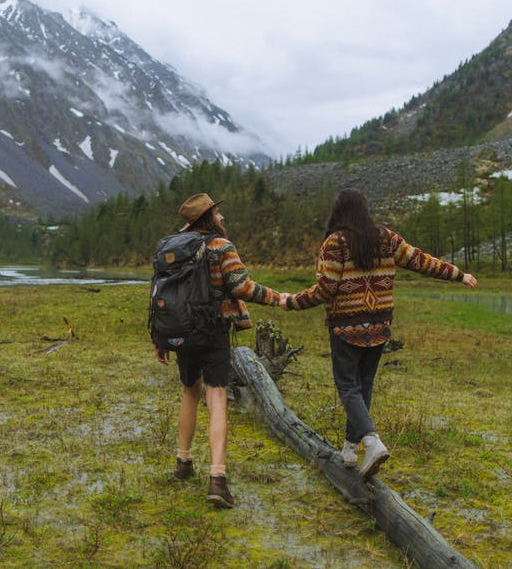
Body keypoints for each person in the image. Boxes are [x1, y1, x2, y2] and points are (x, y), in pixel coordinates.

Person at [286, 188, 477, 479]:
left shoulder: (334, 243)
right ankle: (350, 450)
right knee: (364, 385)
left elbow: (325, 290)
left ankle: (371, 442)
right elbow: (420, 260)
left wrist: (291, 301)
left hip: (345, 326)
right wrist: (457, 274)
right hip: (379, 326)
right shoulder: (386, 238)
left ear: (338, 211)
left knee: (348, 386)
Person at [155, 193, 290, 508]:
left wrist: (158, 338)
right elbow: (242, 287)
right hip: (213, 330)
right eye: (218, 213)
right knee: (216, 399)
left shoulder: (174, 250)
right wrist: (278, 297)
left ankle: (183, 462)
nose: (223, 218)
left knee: (190, 392)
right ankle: (217, 479)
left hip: (182, 332)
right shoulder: (220, 246)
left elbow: (159, 293)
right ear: (209, 217)